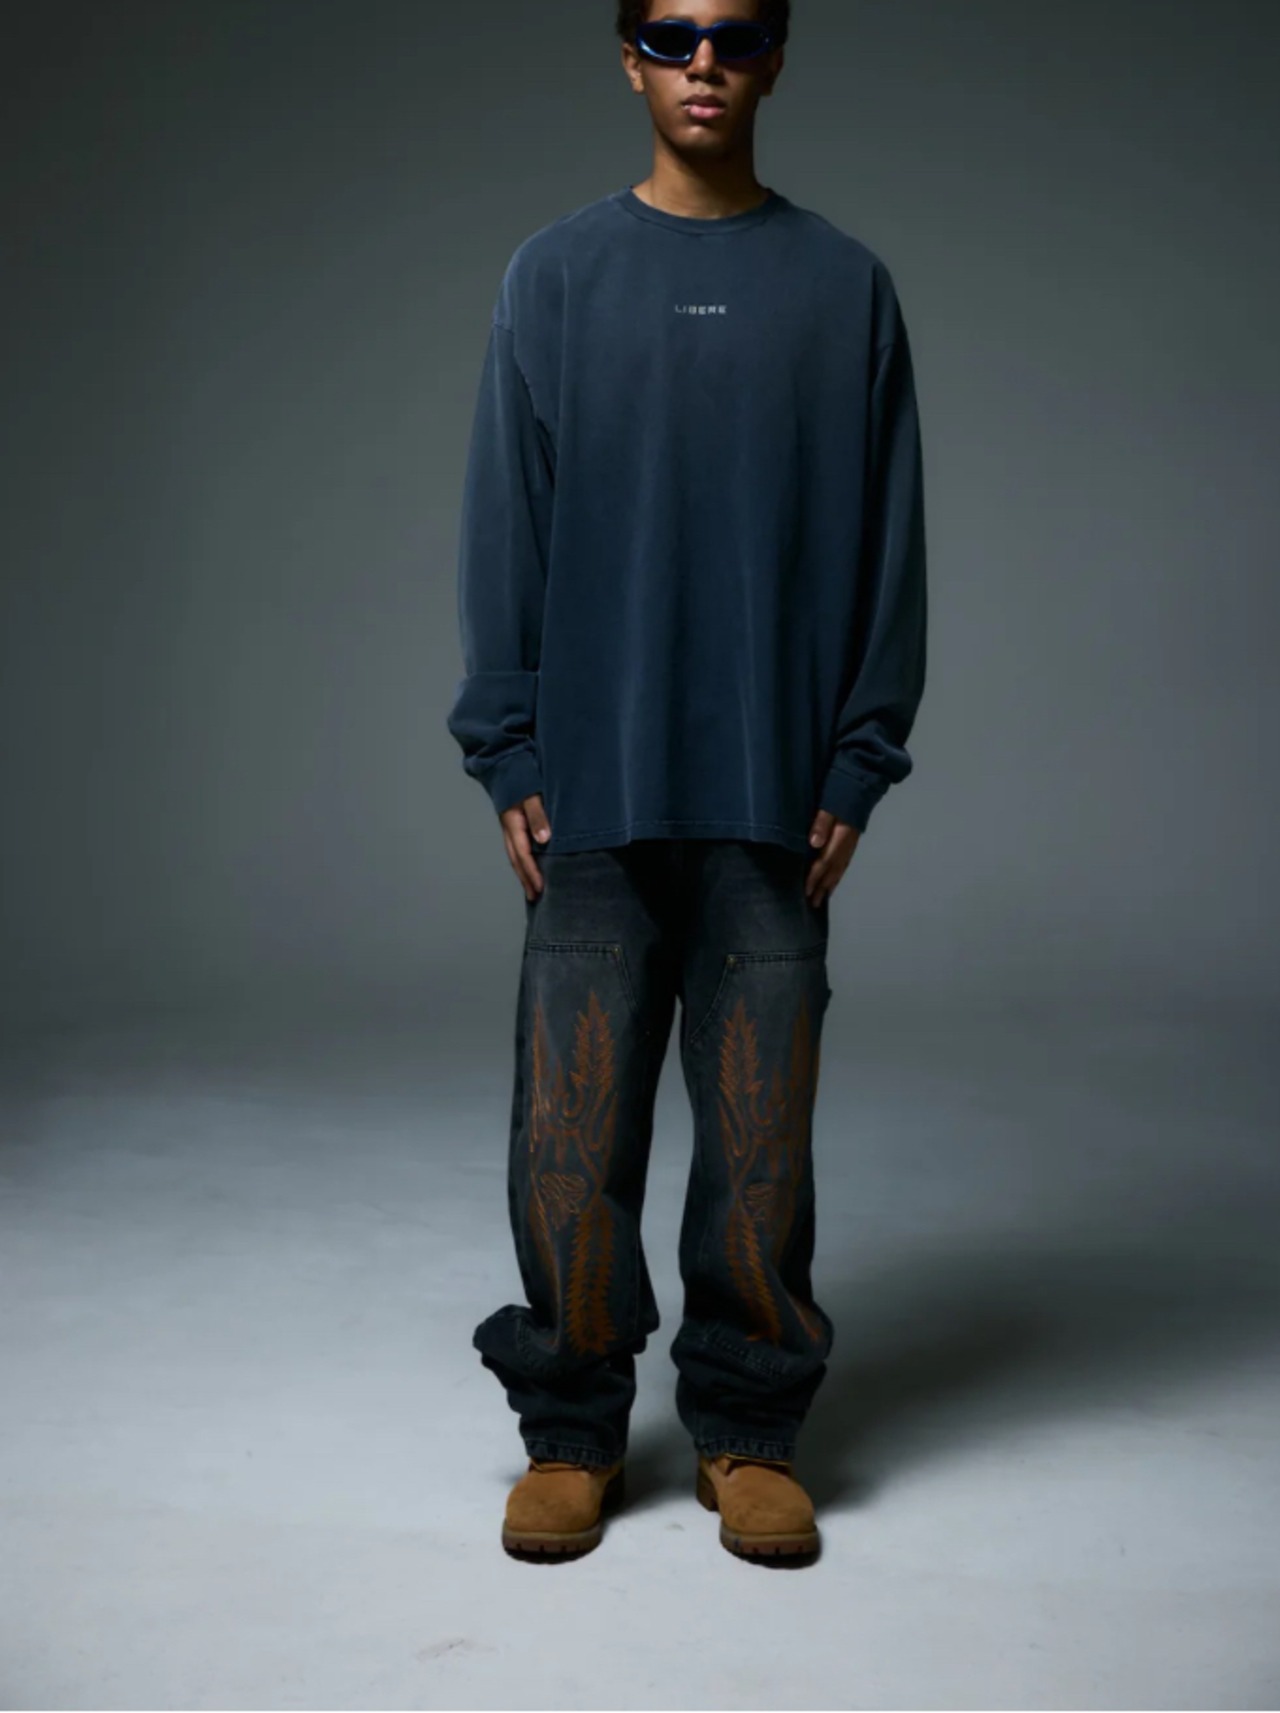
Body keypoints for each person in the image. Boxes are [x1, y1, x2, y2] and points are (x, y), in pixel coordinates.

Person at [446, 0, 927, 1562]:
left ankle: (747, 1425)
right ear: (629, 56)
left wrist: (859, 752)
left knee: (760, 1138)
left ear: (777, 56)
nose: (702, 60)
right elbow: (505, 521)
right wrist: (508, 746)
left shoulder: (844, 286)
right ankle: (573, 1426)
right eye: (670, 32)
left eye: (734, 32)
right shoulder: (555, 275)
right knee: (569, 1135)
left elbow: (892, 543)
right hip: (591, 786)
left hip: (774, 792)